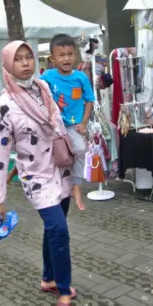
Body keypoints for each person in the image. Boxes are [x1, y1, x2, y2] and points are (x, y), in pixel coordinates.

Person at [0, 41, 77, 306]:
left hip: (60, 168)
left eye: (29, 57)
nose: (26, 63)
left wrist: (74, 174)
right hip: (35, 177)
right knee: (59, 230)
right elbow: (1, 156)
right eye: (19, 59)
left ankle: (48, 278)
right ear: (7, 65)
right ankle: (63, 294)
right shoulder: (4, 107)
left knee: (54, 229)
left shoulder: (43, 89)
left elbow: (59, 126)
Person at [37, 34, 95, 211]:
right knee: (56, 157)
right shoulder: (46, 76)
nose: (66, 58)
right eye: (61, 55)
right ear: (52, 59)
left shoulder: (81, 77)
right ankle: (55, 186)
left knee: (80, 150)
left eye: (70, 54)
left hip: (73, 125)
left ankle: (76, 187)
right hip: (54, 127)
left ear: (76, 55)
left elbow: (89, 101)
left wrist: (84, 123)